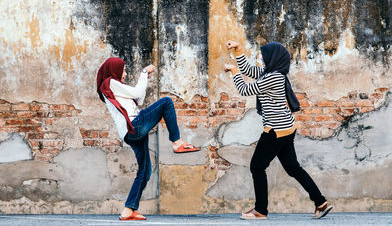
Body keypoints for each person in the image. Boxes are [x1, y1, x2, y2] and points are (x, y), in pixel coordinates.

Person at [224, 40, 332, 220]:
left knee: (257, 166)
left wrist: (233, 71)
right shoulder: (272, 73)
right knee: (293, 168)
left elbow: (244, 89)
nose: (261, 58)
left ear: (273, 58)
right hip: (286, 128)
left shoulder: (273, 77)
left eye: (264, 56)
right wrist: (238, 50)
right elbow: (249, 71)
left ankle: (260, 211)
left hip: (276, 130)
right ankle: (320, 202)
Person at [96, 57, 200, 221]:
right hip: (134, 127)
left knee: (145, 172)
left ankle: (128, 210)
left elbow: (138, 98)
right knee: (166, 102)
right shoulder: (109, 82)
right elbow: (137, 92)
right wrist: (144, 72)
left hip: (132, 132)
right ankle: (176, 142)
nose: (125, 73)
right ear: (114, 70)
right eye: (123, 70)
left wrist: (144, 80)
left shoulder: (115, 87)